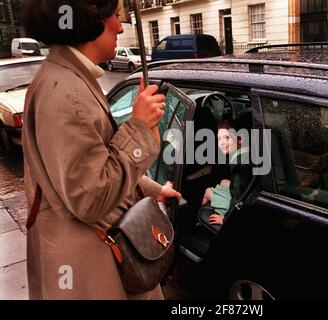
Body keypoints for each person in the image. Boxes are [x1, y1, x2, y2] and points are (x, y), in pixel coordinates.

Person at [21, 0, 181, 300]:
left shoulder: (68, 77)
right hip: (92, 266)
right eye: (115, 15)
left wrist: (150, 189)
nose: (121, 26)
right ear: (90, 17)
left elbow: (96, 158)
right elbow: (90, 197)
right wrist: (138, 127)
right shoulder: (68, 93)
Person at [202, 118, 253, 226]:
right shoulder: (246, 152)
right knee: (224, 181)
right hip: (248, 195)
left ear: (240, 139)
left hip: (240, 208)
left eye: (227, 138)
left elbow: (238, 199)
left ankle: (200, 226)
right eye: (219, 139)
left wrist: (225, 218)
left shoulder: (240, 165)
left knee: (208, 192)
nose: (222, 142)